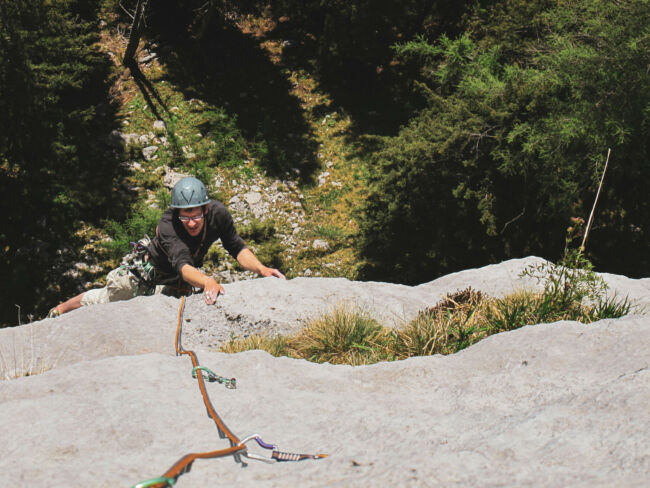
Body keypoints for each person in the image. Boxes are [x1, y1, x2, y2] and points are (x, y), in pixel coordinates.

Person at [49, 177, 284, 316]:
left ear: (205, 209)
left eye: (195, 216)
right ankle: (61, 309)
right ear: (176, 212)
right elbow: (182, 264)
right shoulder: (168, 224)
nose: (190, 223)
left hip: (179, 280)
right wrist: (207, 281)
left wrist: (261, 269)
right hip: (149, 272)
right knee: (107, 299)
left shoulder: (218, 214)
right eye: (185, 217)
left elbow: (236, 247)